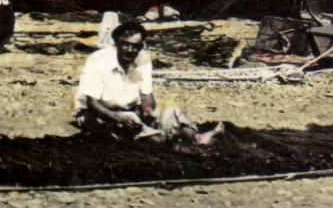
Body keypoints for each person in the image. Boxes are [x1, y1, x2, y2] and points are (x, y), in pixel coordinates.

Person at [73, 18, 222, 147]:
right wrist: (118, 117)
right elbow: (92, 104)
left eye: (136, 46)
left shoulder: (142, 58)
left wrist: (147, 110)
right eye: (125, 44)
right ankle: (175, 137)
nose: (130, 50)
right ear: (117, 43)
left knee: (170, 111)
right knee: (152, 139)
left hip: (131, 111)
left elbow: (146, 95)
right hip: (100, 113)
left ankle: (193, 137)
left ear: (141, 46)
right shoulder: (99, 60)